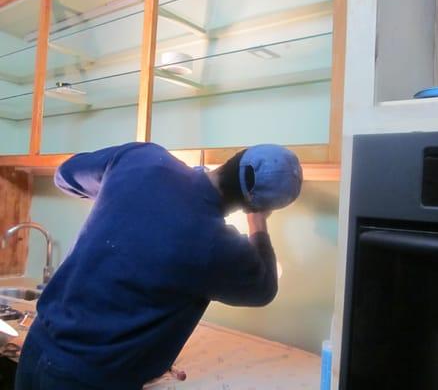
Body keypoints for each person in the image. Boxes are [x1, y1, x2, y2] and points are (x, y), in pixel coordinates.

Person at [15, 142, 303, 390]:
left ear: (236, 156)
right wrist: (258, 221)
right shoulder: (216, 246)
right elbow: (264, 288)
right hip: (91, 378)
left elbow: (65, 174)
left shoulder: (144, 157)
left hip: (37, 347)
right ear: (256, 205)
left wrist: (118, 195)